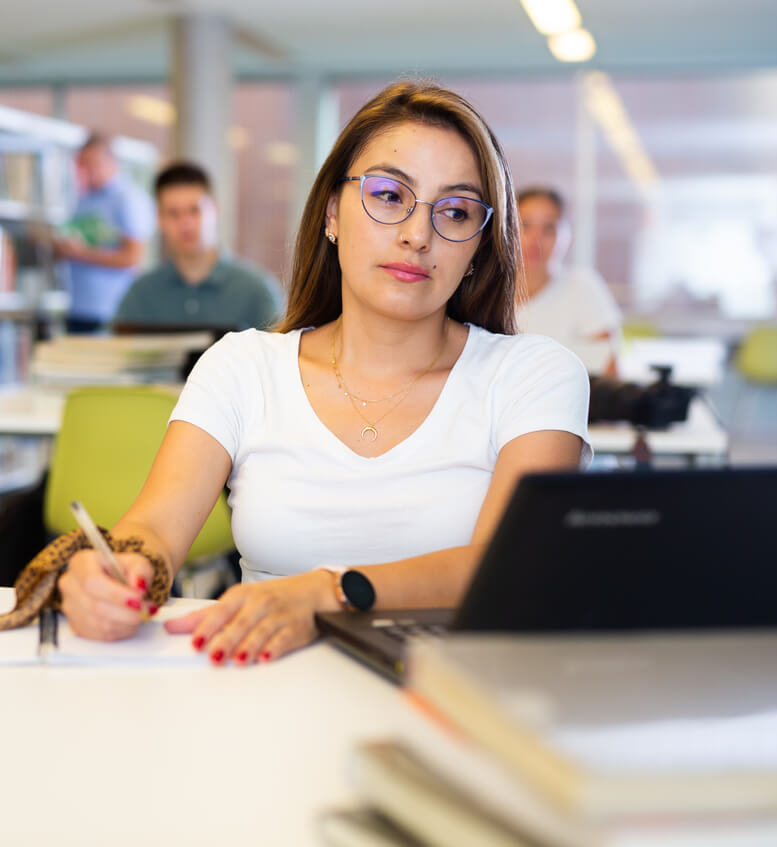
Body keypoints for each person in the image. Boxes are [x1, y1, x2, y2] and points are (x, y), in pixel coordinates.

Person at [56, 81, 592, 664]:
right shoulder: (243, 367)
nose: (417, 234)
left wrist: (329, 593)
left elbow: (506, 566)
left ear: (478, 247)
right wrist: (119, 570)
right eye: (389, 196)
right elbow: (154, 530)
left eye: (456, 211)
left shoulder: (533, 376)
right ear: (333, 212)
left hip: (451, 700)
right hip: (254, 688)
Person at [114, 161, 282, 332]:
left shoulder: (257, 290)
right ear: (159, 218)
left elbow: (279, 355)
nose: (185, 224)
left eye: (195, 210)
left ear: (215, 208)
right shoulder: (140, 294)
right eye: (173, 213)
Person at [53, 132, 155, 333]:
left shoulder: (128, 199)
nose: (86, 170)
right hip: (78, 308)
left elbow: (132, 257)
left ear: (111, 161)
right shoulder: (83, 199)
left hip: (111, 312)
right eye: (82, 164)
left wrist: (80, 253)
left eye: (92, 163)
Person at [515, 186, 622, 376]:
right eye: (525, 225)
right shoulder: (486, 289)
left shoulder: (582, 288)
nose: (535, 239)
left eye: (549, 229)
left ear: (566, 236)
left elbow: (609, 373)